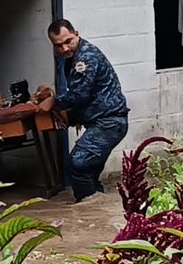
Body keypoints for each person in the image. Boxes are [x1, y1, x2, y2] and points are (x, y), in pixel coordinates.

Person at [35, 19, 129, 203]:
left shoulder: (85, 57)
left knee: (78, 163)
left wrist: (53, 101)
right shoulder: (71, 58)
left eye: (68, 41)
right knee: (88, 172)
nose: (64, 48)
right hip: (103, 122)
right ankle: (96, 209)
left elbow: (80, 94)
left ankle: (87, 206)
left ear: (76, 34)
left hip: (109, 122)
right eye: (58, 45)